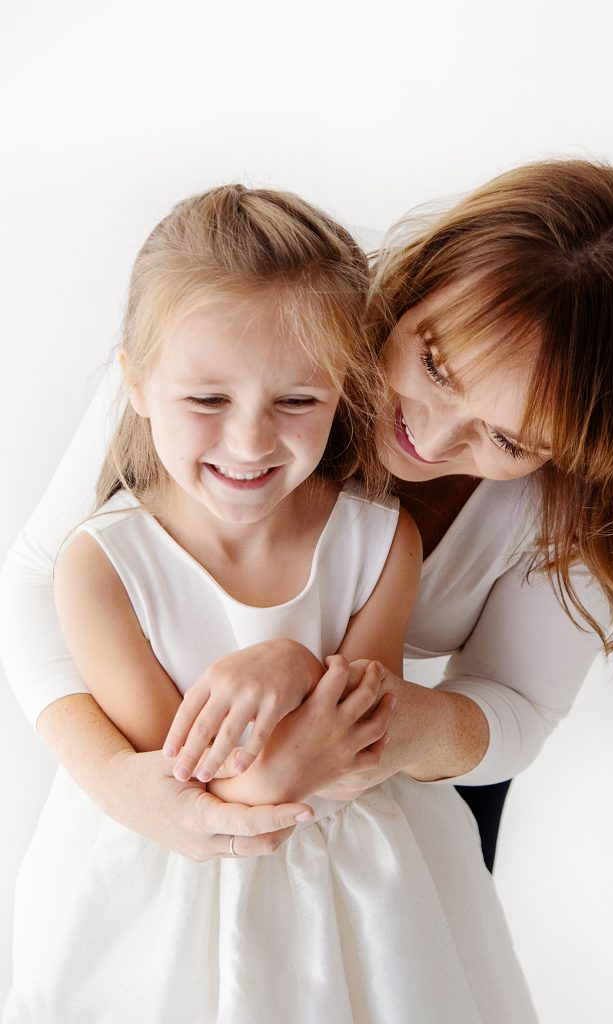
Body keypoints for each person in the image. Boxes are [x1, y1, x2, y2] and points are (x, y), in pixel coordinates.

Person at [0, 159, 613, 961]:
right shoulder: (248, 339)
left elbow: (518, 706)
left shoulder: (574, 508)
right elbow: (41, 573)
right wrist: (113, 778)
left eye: (509, 439)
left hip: (392, 775)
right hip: (180, 750)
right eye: (435, 364)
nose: (434, 433)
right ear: (421, 282)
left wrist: (371, 715)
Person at [2, 186, 535, 1022]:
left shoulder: (381, 541)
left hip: (361, 887)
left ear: (345, 389)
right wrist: (293, 735)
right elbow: (196, 790)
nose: (250, 442)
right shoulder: (101, 567)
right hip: (163, 888)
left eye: (297, 401)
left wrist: (289, 662)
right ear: (135, 385)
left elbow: (363, 729)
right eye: (207, 400)